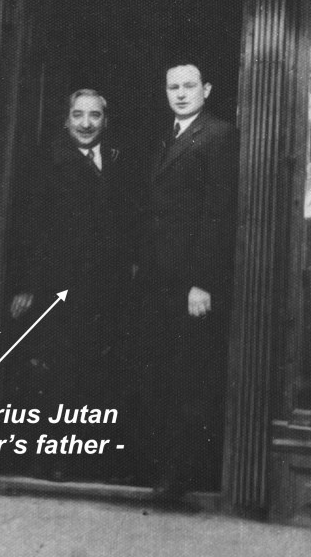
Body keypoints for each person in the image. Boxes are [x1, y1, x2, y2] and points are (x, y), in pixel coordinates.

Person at [9, 89, 133, 480]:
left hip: (105, 289)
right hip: (57, 286)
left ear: (105, 121)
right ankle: (53, 460)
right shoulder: (46, 161)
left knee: (97, 371)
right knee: (56, 373)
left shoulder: (117, 160)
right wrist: (26, 284)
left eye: (94, 115)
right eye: (78, 115)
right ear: (66, 120)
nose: (85, 123)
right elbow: (27, 226)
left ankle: (91, 461)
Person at [138, 62, 239, 505]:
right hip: (159, 278)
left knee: (188, 376)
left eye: (189, 86)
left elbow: (218, 214)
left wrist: (202, 281)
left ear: (207, 89)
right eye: (173, 87)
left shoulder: (219, 135)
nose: (180, 94)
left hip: (190, 282)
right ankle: (161, 466)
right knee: (161, 371)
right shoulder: (166, 136)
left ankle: (180, 474)